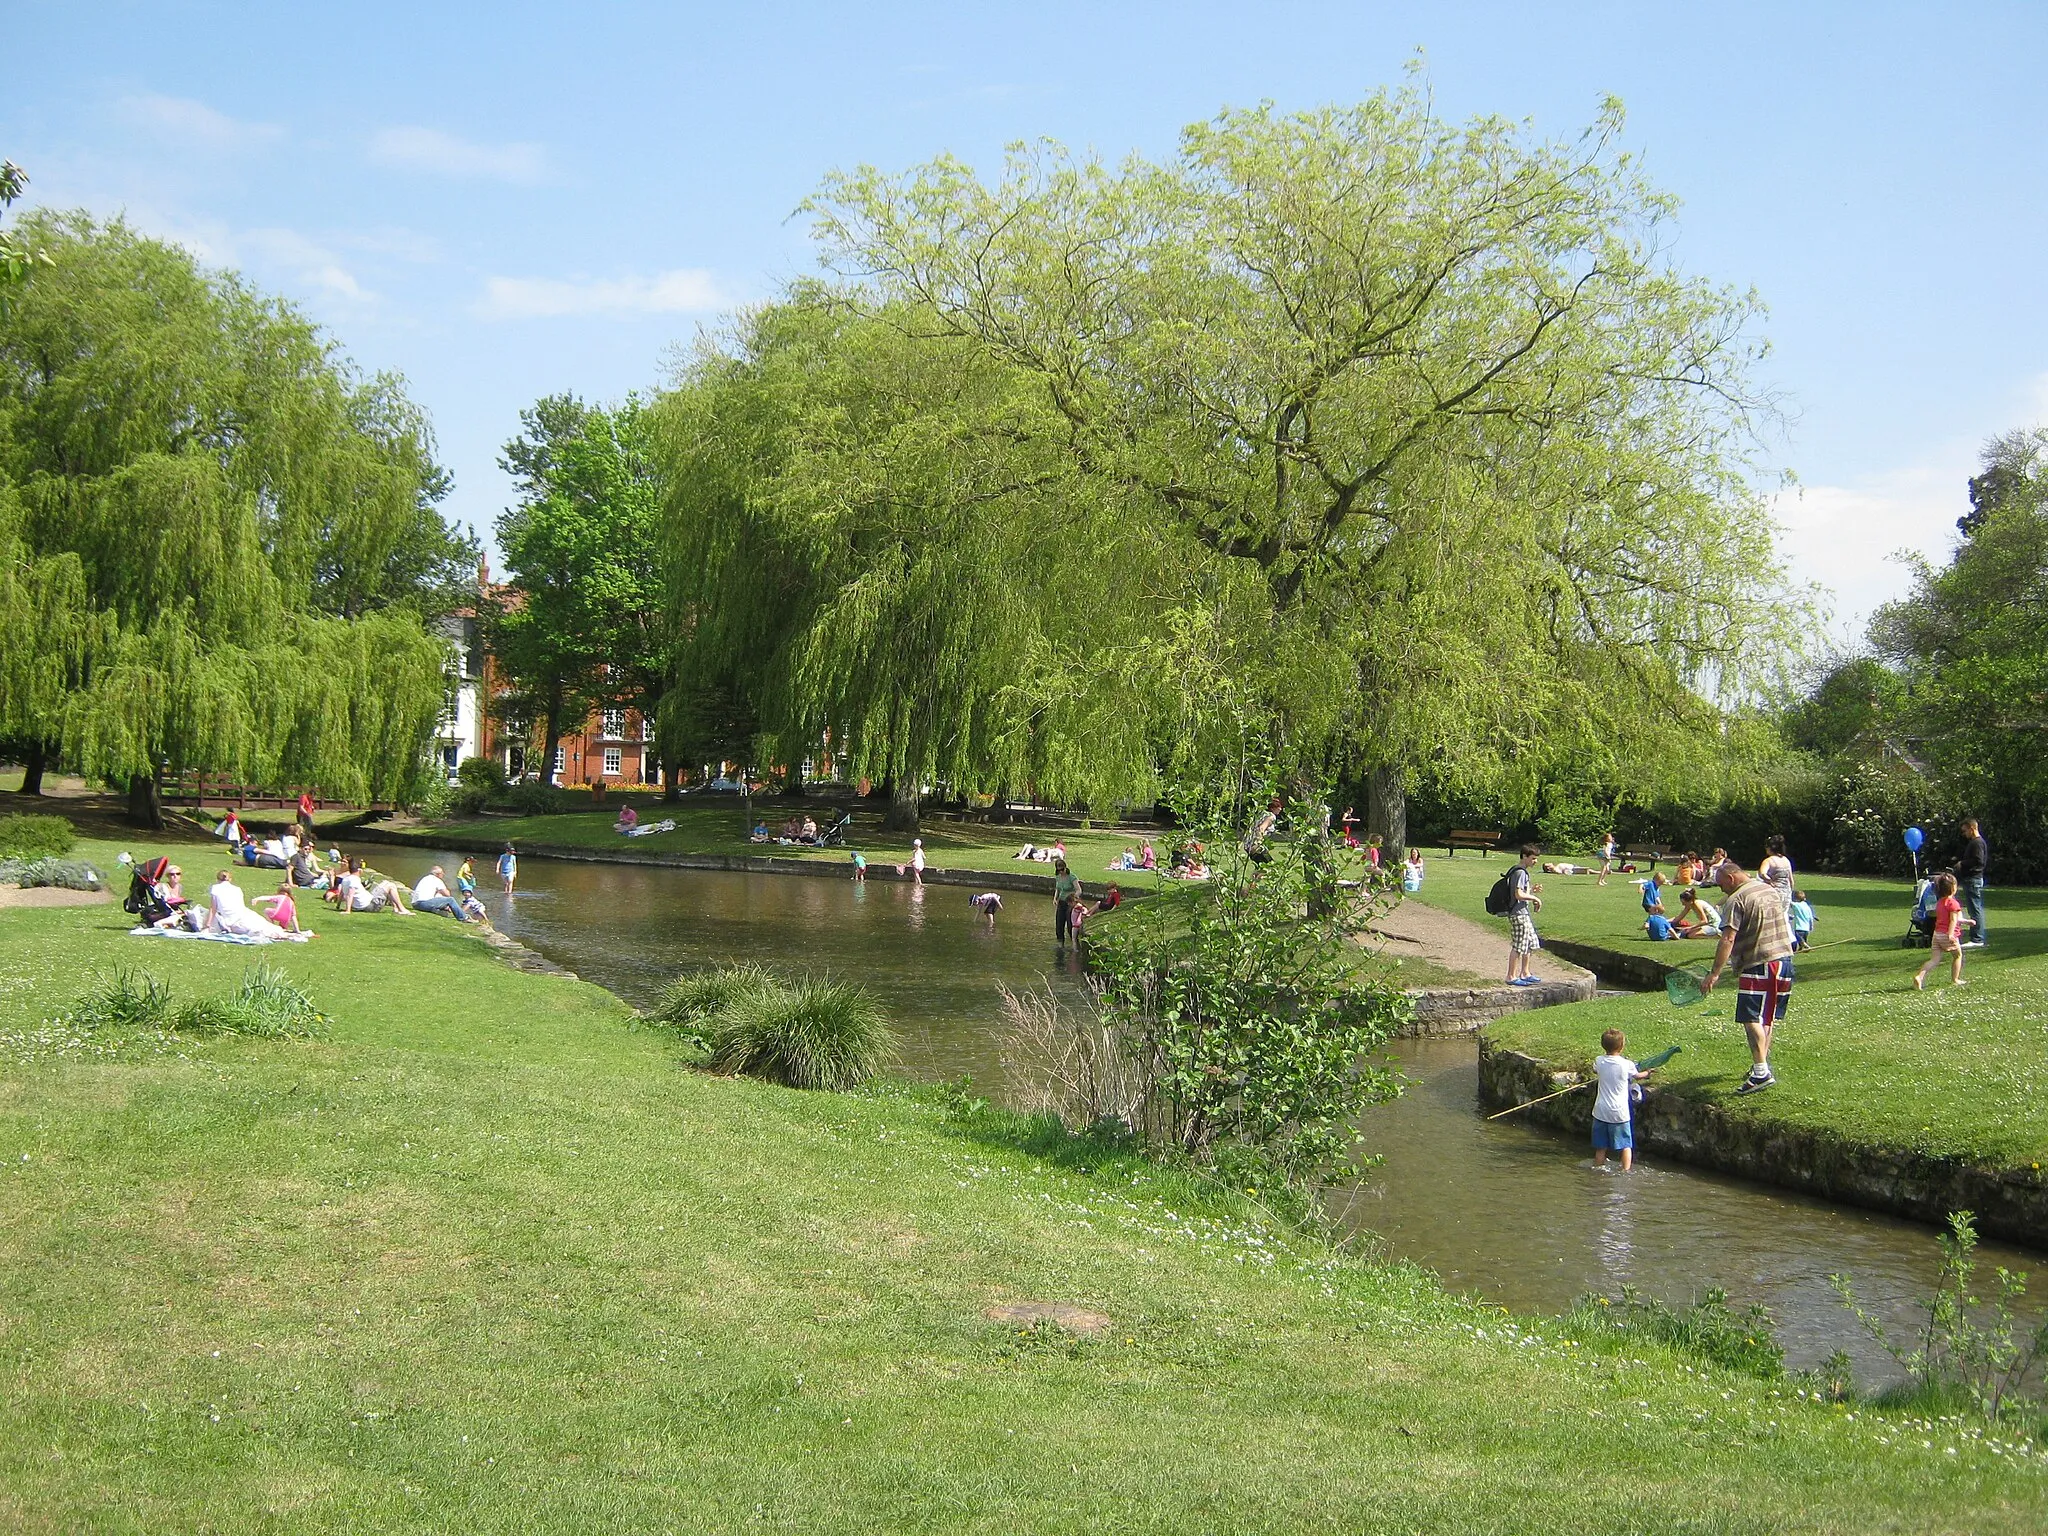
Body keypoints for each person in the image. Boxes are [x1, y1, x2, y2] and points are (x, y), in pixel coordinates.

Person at [1702, 859, 1795, 1096]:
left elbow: (1727, 939)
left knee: (1750, 1015)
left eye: (1721, 884)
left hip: (1759, 962)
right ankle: (1760, 1064)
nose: (1721, 889)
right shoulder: (1768, 889)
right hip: (1784, 960)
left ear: (1731, 878)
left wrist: (1714, 974)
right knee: (1767, 1017)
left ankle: (1761, 1072)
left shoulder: (1736, 899)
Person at [1591, 1028, 1653, 1172]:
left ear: (1603, 1045)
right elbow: (1637, 1076)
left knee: (1601, 1147)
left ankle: (1598, 1169)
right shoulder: (1627, 1064)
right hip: (1619, 1113)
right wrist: (1648, 1073)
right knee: (1626, 1145)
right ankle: (1625, 1171)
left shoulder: (1599, 1061)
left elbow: (1595, 1069)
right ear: (1622, 1046)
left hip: (1600, 1111)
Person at [1914, 872, 1969, 990]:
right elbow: (1954, 920)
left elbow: (1950, 918)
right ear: (1953, 888)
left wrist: (1966, 922)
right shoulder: (1953, 903)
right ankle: (1955, 979)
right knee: (1958, 956)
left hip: (1937, 934)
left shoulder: (1940, 903)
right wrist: (1950, 934)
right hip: (1948, 935)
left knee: (1934, 960)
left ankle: (1919, 976)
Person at [206, 870, 290, 940]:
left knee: (257, 930)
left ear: (217, 879)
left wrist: (208, 925)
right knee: (263, 925)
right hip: (244, 914)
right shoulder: (237, 889)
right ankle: (282, 932)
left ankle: (278, 934)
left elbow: (213, 909)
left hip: (234, 920)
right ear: (230, 879)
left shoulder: (215, 888)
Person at [1505, 843, 1544, 987]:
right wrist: (1535, 898)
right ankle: (1511, 976)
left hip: (1523, 913)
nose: (1535, 862)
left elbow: (1521, 891)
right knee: (1519, 946)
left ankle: (1525, 972)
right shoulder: (1520, 872)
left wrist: (1532, 890)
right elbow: (1518, 894)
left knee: (1529, 943)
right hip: (1518, 914)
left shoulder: (1520, 871)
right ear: (1524, 857)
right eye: (1533, 858)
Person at [332, 857, 412, 916]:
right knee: (391, 886)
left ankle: (395, 909)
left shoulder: (346, 879)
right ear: (358, 871)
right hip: (370, 906)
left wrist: (338, 906)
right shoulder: (354, 880)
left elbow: (342, 893)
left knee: (386, 882)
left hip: (369, 900)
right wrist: (347, 910)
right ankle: (402, 909)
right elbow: (350, 894)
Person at [1957, 818, 1989, 949]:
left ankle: (1977, 938)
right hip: (1971, 879)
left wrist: (1962, 863)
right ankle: (1976, 936)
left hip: (1973, 879)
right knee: (1974, 908)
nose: (1964, 834)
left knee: (1975, 909)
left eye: (1965, 831)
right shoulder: (1975, 843)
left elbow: (1978, 861)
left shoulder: (1977, 843)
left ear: (1972, 828)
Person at [1759, 835, 1795, 913]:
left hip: (1773, 893)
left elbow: (1762, 873)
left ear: (1770, 848)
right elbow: (1791, 880)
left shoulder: (1768, 861)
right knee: (1783, 917)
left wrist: (1769, 881)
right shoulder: (1786, 860)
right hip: (1786, 893)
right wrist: (1790, 892)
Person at [1052, 858, 1079, 945]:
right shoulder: (1058, 877)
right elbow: (1058, 888)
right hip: (1061, 902)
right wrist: (1055, 898)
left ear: (1065, 868)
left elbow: (1079, 890)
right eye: (1059, 870)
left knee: (1070, 924)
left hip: (1069, 903)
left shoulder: (1072, 877)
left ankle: (1074, 942)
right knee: (1059, 924)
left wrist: (1074, 898)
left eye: (1062, 869)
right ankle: (1060, 943)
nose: (1061, 872)